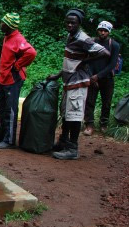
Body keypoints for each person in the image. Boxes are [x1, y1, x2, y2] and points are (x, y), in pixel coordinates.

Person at [47, 9, 109, 160]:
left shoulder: (83, 39)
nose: (69, 24)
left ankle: (72, 148)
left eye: (73, 22)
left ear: (79, 24)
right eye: (67, 22)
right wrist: (58, 75)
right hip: (68, 81)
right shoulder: (71, 36)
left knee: (74, 116)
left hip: (78, 82)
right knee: (67, 114)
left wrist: (85, 61)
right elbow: (70, 61)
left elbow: (104, 52)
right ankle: (63, 142)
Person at [0, 13, 37, 149]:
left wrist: (18, 66)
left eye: (3, 23)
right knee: (1, 108)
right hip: (4, 78)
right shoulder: (7, 37)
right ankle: (5, 134)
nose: (1, 25)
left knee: (10, 110)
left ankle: (9, 140)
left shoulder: (18, 39)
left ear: (9, 26)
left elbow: (31, 52)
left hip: (13, 79)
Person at [83, 21, 121, 135]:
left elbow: (112, 64)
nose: (102, 33)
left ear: (109, 32)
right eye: (101, 30)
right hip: (91, 76)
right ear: (97, 30)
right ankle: (89, 125)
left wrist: (98, 76)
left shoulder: (114, 45)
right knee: (89, 101)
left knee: (106, 102)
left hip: (107, 78)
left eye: (105, 31)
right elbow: (86, 61)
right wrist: (91, 76)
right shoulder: (91, 43)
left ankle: (103, 124)